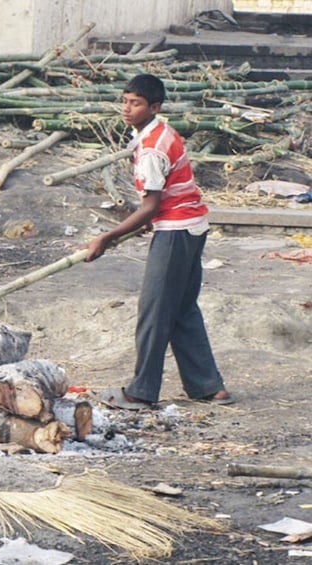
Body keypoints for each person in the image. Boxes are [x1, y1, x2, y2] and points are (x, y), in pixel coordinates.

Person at [85, 73, 234, 409]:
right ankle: (209, 387)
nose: (127, 108)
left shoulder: (152, 147)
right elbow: (160, 201)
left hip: (178, 231)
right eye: (124, 100)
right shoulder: (159, 131)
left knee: (153, 312)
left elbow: (150, 206)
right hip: (191, 226)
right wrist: (140, 224)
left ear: (154, 106)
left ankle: (141, 391)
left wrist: (107, 237)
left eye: (135, 103)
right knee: (182, 310)